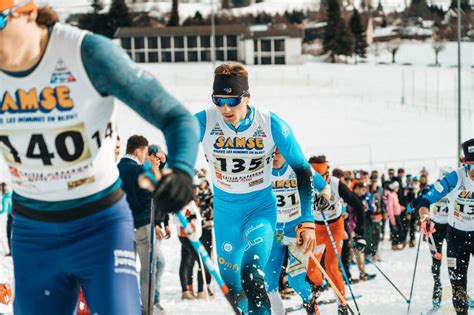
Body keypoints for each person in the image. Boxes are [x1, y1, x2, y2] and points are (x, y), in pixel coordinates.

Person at [0, 2, 198, 314]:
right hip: (32, 232)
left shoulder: (86, 54)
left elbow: (176, 117)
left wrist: (182, 172)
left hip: (99, 227)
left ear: (26, 13)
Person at [194, 62, 324, 314]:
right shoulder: (204, 120)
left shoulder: (270, 123)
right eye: (218, 100)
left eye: (232, 101)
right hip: (225, 215)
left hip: (260, 211)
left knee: (252, 276)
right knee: (236, 293)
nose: (225, 108)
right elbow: (181, 142)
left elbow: (302, 168)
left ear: (247, 98)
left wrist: (307, 220)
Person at [265, 148, 329, 314]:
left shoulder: (300, 168)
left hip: (297, 231)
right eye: (270, 154)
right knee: (268, 282)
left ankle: (310, 303)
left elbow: (324, 187)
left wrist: (325, 198)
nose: (274, 158)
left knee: (295, 281)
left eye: (277, 154)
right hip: (275, 233)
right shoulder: (262, 169)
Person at [414, 138, 474, 315]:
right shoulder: (456, 177)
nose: (473, 172)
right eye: (470, 166)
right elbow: (425, 201)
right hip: (457, 237)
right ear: (464, 163)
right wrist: (425, 216)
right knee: (458, 286)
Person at [307, 156, 366, 314]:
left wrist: (360, 234)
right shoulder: (305, 184)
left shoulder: (336, 184)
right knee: (311, 271)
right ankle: (320, 285)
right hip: (316, 228)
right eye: (315, 177)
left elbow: (358, 206)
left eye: (323, 176)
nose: (320, 181)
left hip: (334, 226)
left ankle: (342, 304)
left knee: (332, 267)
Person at [117, 135, 159, 315]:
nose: (145, 156)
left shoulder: (116, 169)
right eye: (145, 152)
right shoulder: (138, 170)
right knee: (148, 268)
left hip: (122, 225)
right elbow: (147, 198)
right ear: (138, 150)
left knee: (125, 268)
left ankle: (124, 306)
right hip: (142, 224)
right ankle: (147, 309)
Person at [385, 181, 405, 250]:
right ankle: (394, 244)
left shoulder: (395, 194)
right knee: (395, 230)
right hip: (394, 216)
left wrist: (402, 208)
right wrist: (392, 219)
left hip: (397, 215)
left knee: (399, 230)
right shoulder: (390, 195)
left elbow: (396, 205)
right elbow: (390, 208)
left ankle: (397, 243)